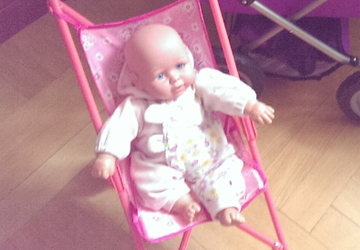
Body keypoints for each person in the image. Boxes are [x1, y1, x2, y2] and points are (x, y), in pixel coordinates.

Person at [92, 24, 275, 226]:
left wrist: (249, 104)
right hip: (162, 165)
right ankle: (182, 202)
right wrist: (107, 154)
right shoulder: (136, 106)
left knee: (223, 176)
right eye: (160, 76)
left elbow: (223, 90)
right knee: (149, 180)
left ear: (188, 56)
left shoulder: (199, 85)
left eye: (180, 66)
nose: (175, 78)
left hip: (210, 157)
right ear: (138, 81)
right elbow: (119, 127)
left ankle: (226, 208)